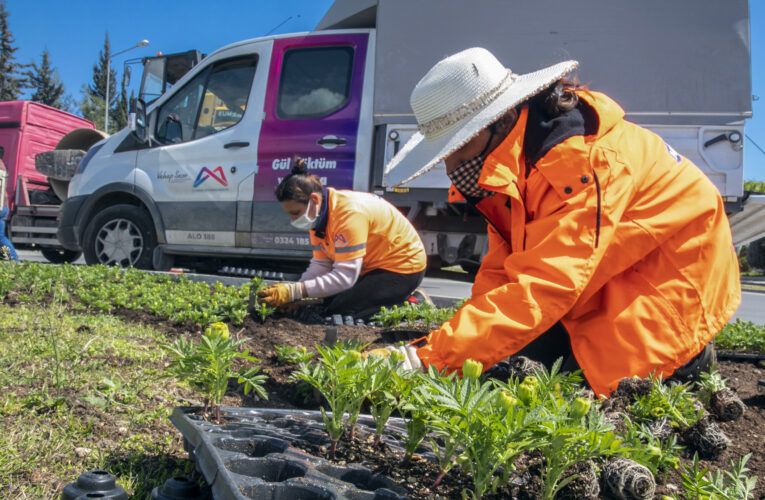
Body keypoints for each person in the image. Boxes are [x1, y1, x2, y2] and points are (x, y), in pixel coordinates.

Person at [382, 47, 740, 396]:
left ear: (502, 120)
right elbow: (502, 273)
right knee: (505, 366)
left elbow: (548, 284)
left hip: (665, 289)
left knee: (577, 399)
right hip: (602, 277)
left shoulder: (580, 163)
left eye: (458, 147)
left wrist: (428, 358)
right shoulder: (516, 165)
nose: (450, 166)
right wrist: (447, 349)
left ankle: (688, 359)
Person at [257, 159, 428, 321]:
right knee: (324, 302)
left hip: (402, 267)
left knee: (344, 312)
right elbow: (321, 265)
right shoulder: (318, 217)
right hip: (370, 268)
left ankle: (414, 302)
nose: (294, 221)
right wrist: (296, 294)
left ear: (314, 200)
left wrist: (296, 291)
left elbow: (345, 277)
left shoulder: (348, 215)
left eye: (295, 213)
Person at [0, 157, 20, 262]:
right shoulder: (2, 165)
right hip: (3, 206)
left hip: (1, 206)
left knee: (0, 237)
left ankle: (15, 260)